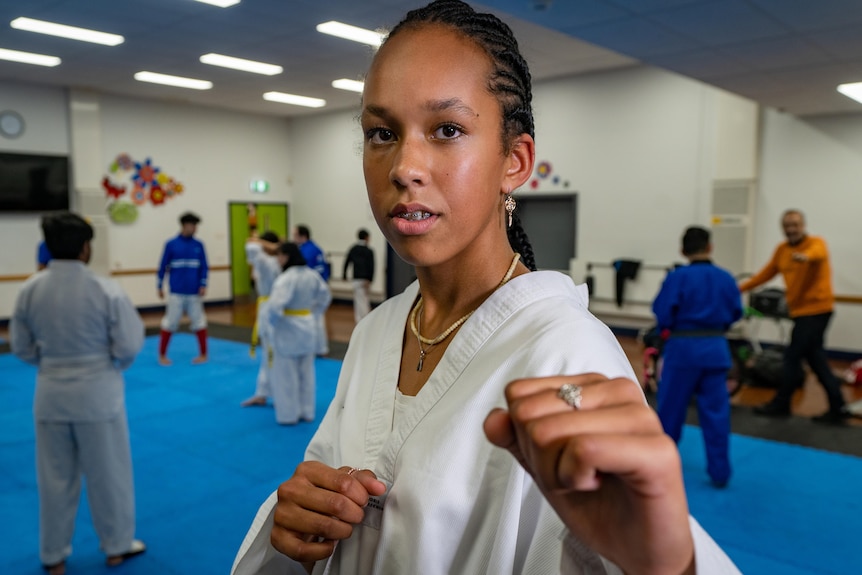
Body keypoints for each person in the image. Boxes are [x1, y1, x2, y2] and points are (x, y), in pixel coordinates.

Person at [231, 2, 739, 574]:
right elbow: (322, 492)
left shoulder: (566, 352)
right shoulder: (379, 330)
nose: (404, 166)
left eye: (447, 129)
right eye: (381, 132)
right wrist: (299, 520)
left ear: (514, 162)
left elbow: (623, 550)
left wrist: (665, 565)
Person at [11, 212, 146, 575]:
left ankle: (53, 555)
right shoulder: (106, 289)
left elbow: (20, 347)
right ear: (86, 248)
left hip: (50, 393)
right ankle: (116, 547)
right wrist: (106, 362)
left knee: (54, 479)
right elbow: (130, 344)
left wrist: (53, 362)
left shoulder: (30, 289)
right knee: (109, 475)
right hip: (98, 395)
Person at [652, 226, 743, 488]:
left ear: (682, 250)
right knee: (716, 415)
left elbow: (663, 312)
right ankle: (720, 472)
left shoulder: (677, 278)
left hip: (683, 351)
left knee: (670, 412)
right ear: (710, 247)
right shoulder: (726, 278)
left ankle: (660, 468)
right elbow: (736, 312)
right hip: (716, 349)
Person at [740, 209, 847, 424]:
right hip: (800, 313)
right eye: (787, 225)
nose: (791, 229)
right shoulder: (782, 250)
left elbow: (818, 254)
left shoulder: (816, 244)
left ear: (803, 226)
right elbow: (766, 273)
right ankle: (838, 408)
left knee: (792, 357)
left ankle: (782, 403)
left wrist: (804, 256)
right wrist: (739, 288)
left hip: (817, 311)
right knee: (816, 360)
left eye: (795, 225)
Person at [265, 242, 332, 425]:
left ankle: (288, 415)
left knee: (286, 374)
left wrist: (274, 324)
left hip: (288, 327)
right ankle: (307, 411)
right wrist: (313, 314)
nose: (278, 260)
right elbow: (325, 297)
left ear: (286, 256)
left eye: (279, 256)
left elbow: (275, 307)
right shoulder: (312, 275)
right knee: (307, 372)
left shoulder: (285, 279)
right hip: (307, 324)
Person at [156, 211, 209, 365]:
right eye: (193, 225)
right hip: (176, 291)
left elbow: (204, 267)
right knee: (170, 322)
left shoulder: (199, 245)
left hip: (194, 292)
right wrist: (159, 285)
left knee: (199, 322)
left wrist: (203, 284)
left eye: (196, 226)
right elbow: (162, 266)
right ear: (185, 226)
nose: (195, 229)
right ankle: (162, 355)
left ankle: (203, 354)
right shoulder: (171, 244)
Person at [241, 231, 283, 407]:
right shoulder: (274, 261)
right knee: (269, 353)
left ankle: (278, 394)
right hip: (269, 308)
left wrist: (259, 240)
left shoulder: (268, 262)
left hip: (272, 309)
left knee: (274, 353)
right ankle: (263, 392)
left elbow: (250, 244)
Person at [293, 224, 330, 356]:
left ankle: (316, 348)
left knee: (313, 319)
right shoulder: (316, 248)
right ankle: (319, 347)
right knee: (317, 318)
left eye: (295, 235)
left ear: (302, 236)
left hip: (311, 289)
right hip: (320, 287)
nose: (293, 238)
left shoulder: (305, 251)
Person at [342, 228, 375, 324]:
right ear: (366, 237)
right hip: (366, 279)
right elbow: (371, 265)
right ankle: (365, 320)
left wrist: (344, 274)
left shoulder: (353, 249)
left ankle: (360, 320)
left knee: (359, 300)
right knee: (365, 299)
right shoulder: (369, 251)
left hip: (356, 278)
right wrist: (370, 279)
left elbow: (347, 262)